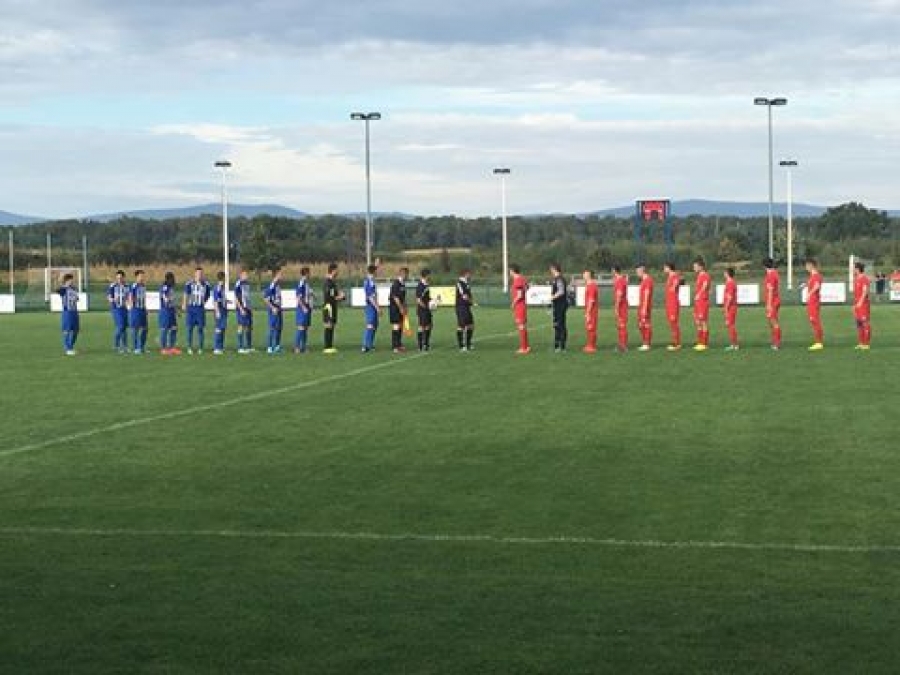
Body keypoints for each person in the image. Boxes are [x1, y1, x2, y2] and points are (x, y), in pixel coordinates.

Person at [182, 266, 211, 354]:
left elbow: (208, 295)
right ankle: (189, 347)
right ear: (195, 274)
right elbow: (186, 294)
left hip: (200, 309)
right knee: (189, 329)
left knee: (200, 329)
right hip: (191, 308)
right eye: (198, 273)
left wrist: (203, 302)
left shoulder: (206, 284)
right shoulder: (189, 283)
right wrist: (184, 304)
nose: (199, 275)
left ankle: (200, 348)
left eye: (201, 273)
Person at [322, 262, 345, 354]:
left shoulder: (332, 282)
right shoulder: (329, 282)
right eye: (337, 270)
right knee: (329, 326)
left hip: (332, 306)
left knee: (332, 326)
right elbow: (330, 297)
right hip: (329, 307)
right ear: (333, 270)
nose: (338, 272)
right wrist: (341, 297)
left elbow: (334, 295)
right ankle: (327, 347)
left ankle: (330, 346)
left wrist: (340, 296)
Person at [127, 269, 149, 355]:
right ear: (136, 277)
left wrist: (145, 308)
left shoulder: (143, 286)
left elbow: (144, 298)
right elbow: (130, 296)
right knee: (135, 329)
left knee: (145, 328)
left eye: (143, 276)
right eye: (140, 276)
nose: (142, 278)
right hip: (135, 309)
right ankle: (136, 348)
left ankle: (142, 347)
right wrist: (131, 305)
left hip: (142, 309)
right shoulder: (133, 286)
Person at [107, 269, 129, 353]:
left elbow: (129, 297)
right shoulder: (113, 286)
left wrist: (129, 302)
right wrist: (113, 299)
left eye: (120, 278)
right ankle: (116, 345)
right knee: (120, 326)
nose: (119, 279)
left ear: (124, 278)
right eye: (118, 278)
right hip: (116, 309)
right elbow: (108, 297)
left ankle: (125, 346)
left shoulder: (127, 286)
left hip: (125, 309)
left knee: (124, 328)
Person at [510, 264, 530, 355]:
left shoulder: (518, 280)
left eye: (510, 271)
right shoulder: (522, 278)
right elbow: (527, 287)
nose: (509, 273)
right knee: (523, 326)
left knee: (521, 326)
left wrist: (513, 303)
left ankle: (523, 348)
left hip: (519, 306)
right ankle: (526, 346)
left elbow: (519, 295)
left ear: (512, 271)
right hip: (522, 305)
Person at [159, 271, 180, 355]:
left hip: (171, 311)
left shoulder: (171, 288)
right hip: (165, 311)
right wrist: (170, 301)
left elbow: (172, 300)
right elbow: (166, 299)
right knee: (164, 329)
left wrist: (176, 310)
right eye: (172, 279)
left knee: (174, 328)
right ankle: (163, 348)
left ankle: (172, 348)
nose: (173, 280)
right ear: (168, 279)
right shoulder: (164, 288)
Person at [805, 258, 824, 351]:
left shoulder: (816, 276)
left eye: (807, 265)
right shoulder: (812, 276)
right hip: (811, 302)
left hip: (814, 302)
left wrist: (809, 293)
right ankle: (818, 342)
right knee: (813, 321)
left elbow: (817, 286)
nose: (806, 267)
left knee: (815, 321)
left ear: (811, 265)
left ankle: (819, 343)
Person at [389, 267, 409, 353]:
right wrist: (401, 308)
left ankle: (399, 344)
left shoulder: (402, 284)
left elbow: (402, 298)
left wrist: (405, 307)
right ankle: (395, 347)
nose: (407, 276)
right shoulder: (396, 284)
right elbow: (395, 297)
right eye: (406, 274)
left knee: (400, 326)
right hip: (394, 308)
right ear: (402, 274)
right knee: (396, 326)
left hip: (400, 308)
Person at [263, 267, 284, 354]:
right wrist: (272, 308)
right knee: (272, 328)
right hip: (273, 310)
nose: (282, 276)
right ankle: (269, 347)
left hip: (279, 309)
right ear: (276, 275)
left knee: (279, 328)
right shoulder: (272, 285)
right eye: (280, 274)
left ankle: (277, 346)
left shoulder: (278, 285)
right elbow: (265, 298)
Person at [59, 273, 80, 356]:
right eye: (71, 280)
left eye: (72, 280)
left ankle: (70, 346)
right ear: (67, 280)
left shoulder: (74, 289)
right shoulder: (63, 289)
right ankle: (68, 349)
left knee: (76, 330)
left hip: (74, 311)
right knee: (67, 330)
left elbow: (77, 298)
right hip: (67, 312)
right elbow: (57, 290)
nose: (72, 281)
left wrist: (75, 297)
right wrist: (63, 284)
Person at [763, 257, 782, 350]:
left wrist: (769, 304)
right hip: (776, 300)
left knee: (773, 322)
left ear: (764, 266)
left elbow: (770, 290)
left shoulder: (770, 275)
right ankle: (774, 341)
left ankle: (777, 343)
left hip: (773, 301)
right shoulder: (775, 273)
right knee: (772, 322)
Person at [692, 257, 711, 352]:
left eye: (695, 266)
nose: (694, 268)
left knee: (703, 322)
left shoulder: (705, 275)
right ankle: (700, 342)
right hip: (698, 302)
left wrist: (699, 295)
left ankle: (704, 343)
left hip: (702, 301)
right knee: (697, 322)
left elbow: (705, 286)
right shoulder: (699, 276)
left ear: (701, 267)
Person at [549, 263, 569, 352]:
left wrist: (553, 297)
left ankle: (562, 346)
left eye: (551, 269)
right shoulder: (556, 279)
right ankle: (557, 345)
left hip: (561, 305)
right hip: (557, 305)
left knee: (560, 325)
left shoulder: (559, 279)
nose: (550, 271)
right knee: (556, 325)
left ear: (555, 269)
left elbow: (561, 291)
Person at [663, 262, 682, 351]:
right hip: (669, 303)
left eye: (665, 267)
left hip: (673, 302)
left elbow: (676, 284)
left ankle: (677, 343)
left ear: (669, 267)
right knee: (671, 323)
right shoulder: (669, 277)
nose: (664, 269)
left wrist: (674, 286)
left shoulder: (675, 276)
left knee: (674, 322)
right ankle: (675, 341)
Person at [361, 264, 380, 353]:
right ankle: (365, 346)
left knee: (374, 325)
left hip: (372, 305)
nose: (377, 273)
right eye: (376, 271)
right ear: (374, 272)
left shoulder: (370, 280)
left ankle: (370, 345)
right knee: (370, 325)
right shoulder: (370, 281)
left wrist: (376, 265)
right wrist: (377, 307)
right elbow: (370, 297)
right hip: (371, 306)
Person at [234, 268, 254, 354]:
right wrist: (241, 308)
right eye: (245, 275)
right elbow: (236, 298)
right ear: (241, 275)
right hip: (241, 308)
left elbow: (247, 297)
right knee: (241, 326)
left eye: (247, 274)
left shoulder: (247, 284)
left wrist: (250, 307)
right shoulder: (238, 284)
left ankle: (249, 347)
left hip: (248, 308)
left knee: (249, 327)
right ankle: (240, 347)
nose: (246, 276)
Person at [455, 270, 475, 352]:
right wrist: (472, 302)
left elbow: (468, 294)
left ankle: (468, 344)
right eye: (469, 274)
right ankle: (461, 346)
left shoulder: (466, 283)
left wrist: (471, 302)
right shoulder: (460, 283)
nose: (470, 276)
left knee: (471, 325)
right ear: (465, 274)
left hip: (466, 307)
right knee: (461, 326)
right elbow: (464, 296)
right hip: (461, 307)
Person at [853, 262, 872, 350]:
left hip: (863, 304)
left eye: (854, 268)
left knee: (865, 323)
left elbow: (865, 291)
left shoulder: (864, 278)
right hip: (857, 304)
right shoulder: (856, 278)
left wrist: (860, 302)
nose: (853, 270)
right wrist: (855, 305)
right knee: (859, 324)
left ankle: (866, 344)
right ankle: (861, 343)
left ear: (857, 269)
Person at [294, 267, 312, 354]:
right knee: (301, 327)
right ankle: (296, 347)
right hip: (302, 308)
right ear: (306, 274)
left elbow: (307, 294)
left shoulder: (306, 283)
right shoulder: (301, 283)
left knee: (305, 328)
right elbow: (298, 297)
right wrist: (303, 307)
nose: (310, 275)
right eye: (309, 273)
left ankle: (303, 347)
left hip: (307, 307)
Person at [636, 264, 654, 351]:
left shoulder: (648, 280)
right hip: (641, 305)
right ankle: (644, 342)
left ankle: (647, 343)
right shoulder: (643, 281)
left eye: (637, 271)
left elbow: (647, 294)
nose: (637, 273)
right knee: (641, 325)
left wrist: (644, 308)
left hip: (645, 306)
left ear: (642, 271)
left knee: (645, 324)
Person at [416, 268, 434, 352]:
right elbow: (418, 300)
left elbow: (427, 297)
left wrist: (434, 301)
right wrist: (426, 307)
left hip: (427, 309)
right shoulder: (420, 286)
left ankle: (426, 344)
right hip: (422, 310)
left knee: (429, 326)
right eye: (429, 275)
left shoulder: (426, 285)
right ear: (426, 275)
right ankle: (420, 346)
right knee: (422, 326)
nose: (430, 276)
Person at [612, 265, 629, 352]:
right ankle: (621, 344)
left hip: (621, 307)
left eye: (612, 270)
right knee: (620, 326)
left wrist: (616, 307)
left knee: (622, 326)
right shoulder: (620, 280)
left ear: (614, 271)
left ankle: (623, 346)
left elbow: (619, 294)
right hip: (621, 306)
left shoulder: (620, 281)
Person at [582, 269, 599, 354]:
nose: (583, 275)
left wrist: (588, 313)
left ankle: (592, 346)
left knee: (591, 328)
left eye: (585, 274)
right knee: (589, 328)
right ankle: (589, 345)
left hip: (592, 311)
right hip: (590, 311)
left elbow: (591, 300)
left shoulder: (592, 286)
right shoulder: (589, 285)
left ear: (589, 275)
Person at [723, 267, 739, 351]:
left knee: (731, 325)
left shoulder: (730, 283)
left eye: (725, 272)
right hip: (731, 307)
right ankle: (733, 344)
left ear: (727, 273)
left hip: (731, 307)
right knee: (730, 325)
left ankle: (735, 345)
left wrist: (726, 308)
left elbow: (729, 297)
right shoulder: (730, 282)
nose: (724, 274)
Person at [212, 271, 228, 355]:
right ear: (222, 278)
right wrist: (217, 311)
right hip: (220, 310)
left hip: (224, 310)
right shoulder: (217, 288)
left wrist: (226, 301)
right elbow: (215, 300)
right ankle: (216, 348)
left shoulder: (222, 287)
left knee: (223, 328)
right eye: (225, 278)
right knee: (218, 329)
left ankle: (221, 347)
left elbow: (221, 299)